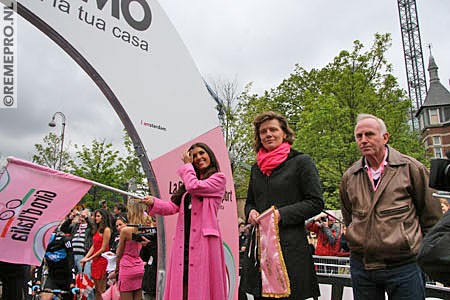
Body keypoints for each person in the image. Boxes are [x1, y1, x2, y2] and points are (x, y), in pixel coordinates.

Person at [339, 113, 442, 300]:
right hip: (362, 266)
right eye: (359, 136)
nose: (363, 140)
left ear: (385, 137)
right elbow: (349, 217)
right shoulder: (350, 176)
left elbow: (431, 217)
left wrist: (424, 256)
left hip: (404, 266)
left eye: (369, 134)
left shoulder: (411, 168)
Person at [241, 111, 324, 300]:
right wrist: (251, 212)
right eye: (263, 131)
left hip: (290, 249)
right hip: (260, 251)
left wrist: (280, 215)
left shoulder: (301, 162)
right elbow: (250, 202)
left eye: (273, 129)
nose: (268, 134)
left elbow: (315, 202)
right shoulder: (256, 169)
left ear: (284, 133)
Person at [141, 142, 227, 300]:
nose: (198, 158)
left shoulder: (218, 179)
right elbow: (172, 207)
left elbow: (194, 186)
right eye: (194, 156)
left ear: (210, 156)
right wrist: (153, 202)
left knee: (202, 288)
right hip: (184, 245)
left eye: (202, 153)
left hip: (204, 244)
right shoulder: (188, 186)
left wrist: (187, 166)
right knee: (183, 287)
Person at [108, 199, 146, 300]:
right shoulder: (144, 229)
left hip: (126, 267)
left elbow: (119, 252)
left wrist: (116, 269)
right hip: (139, 266)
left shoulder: (125, 231)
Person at [61, 208, 94, 300]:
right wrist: (71, 218)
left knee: (86, 278)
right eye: (81, 214)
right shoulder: (75, 226)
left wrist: (87, 219)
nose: (81, 216)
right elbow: (63, 229)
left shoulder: (89, 227)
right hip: (72, 255)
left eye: (84, 214)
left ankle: (90, 298)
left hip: (84, 256)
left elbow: (93, 228)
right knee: (73, 278)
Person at [33, 230, 76, 300]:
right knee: (44, 297)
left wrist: (72, 283)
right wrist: (37, 281)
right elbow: (39, 264)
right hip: (52, 276)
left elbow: (71, 263)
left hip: (66, 276)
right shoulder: (40, 244)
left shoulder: (64, 240)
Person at [81, 209, 112, 300]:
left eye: (98, 216)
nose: (95, 218)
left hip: (102, 260)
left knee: (101, 289)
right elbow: (94, 246)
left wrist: (89, 258)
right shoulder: (97, 229)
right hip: (95, 260)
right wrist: (86, 257)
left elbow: (103, 248)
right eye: (95, 216)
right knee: (97, 289)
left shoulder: (106, 230)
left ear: (103, 217)